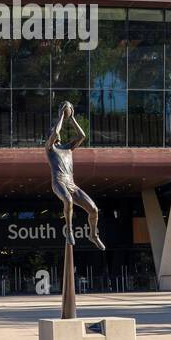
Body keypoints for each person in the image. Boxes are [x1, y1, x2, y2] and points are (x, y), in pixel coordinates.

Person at [45, 101, 104, 250]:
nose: (56, 132)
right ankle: (69, 231)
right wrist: (61, 117)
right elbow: (55, 133)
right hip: (58, 182)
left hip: (71, 184)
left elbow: (82, 135)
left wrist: (71, 118)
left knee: (94, 210)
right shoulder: (49, 148)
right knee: (68, 200)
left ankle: (93, 235)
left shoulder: (67, 148)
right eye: (53, 132)